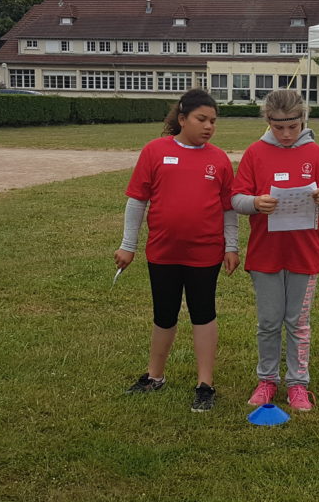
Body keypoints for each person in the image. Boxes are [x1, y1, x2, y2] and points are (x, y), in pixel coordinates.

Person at [117, 89, 240, 413]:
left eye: (213, 121)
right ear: (182, 119)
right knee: (164, 314)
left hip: (205, 254)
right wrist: (128, 246)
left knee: (203, 314)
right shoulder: (155, 152)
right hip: (163, 252)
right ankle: (155, 376)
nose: (209, 126)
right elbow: (137, 201)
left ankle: (205, 384)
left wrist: (232, 246)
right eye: (202, 119)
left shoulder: (218, 159)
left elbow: (229, 209)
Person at [232, 90, 319, 412]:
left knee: (298, 323)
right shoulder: (255, 153)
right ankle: (267, 380)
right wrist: (255, 203)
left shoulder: (316, 154)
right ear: (268, 121)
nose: (286, 134)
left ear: (302, 120)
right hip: (265, 254)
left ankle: (297, 384)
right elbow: (237, 198)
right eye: (279, 127)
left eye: (292, 126)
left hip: (304, 255)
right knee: (268, 322)